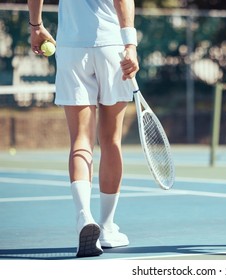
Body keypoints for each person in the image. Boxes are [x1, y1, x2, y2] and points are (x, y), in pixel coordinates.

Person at [28, 0, 140, 257]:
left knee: (80, 140)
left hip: (71, 49)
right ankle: (107, 227)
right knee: (111, 141)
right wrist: (130, 44)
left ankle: (83, 216)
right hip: (112, 46)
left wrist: (36, 25)